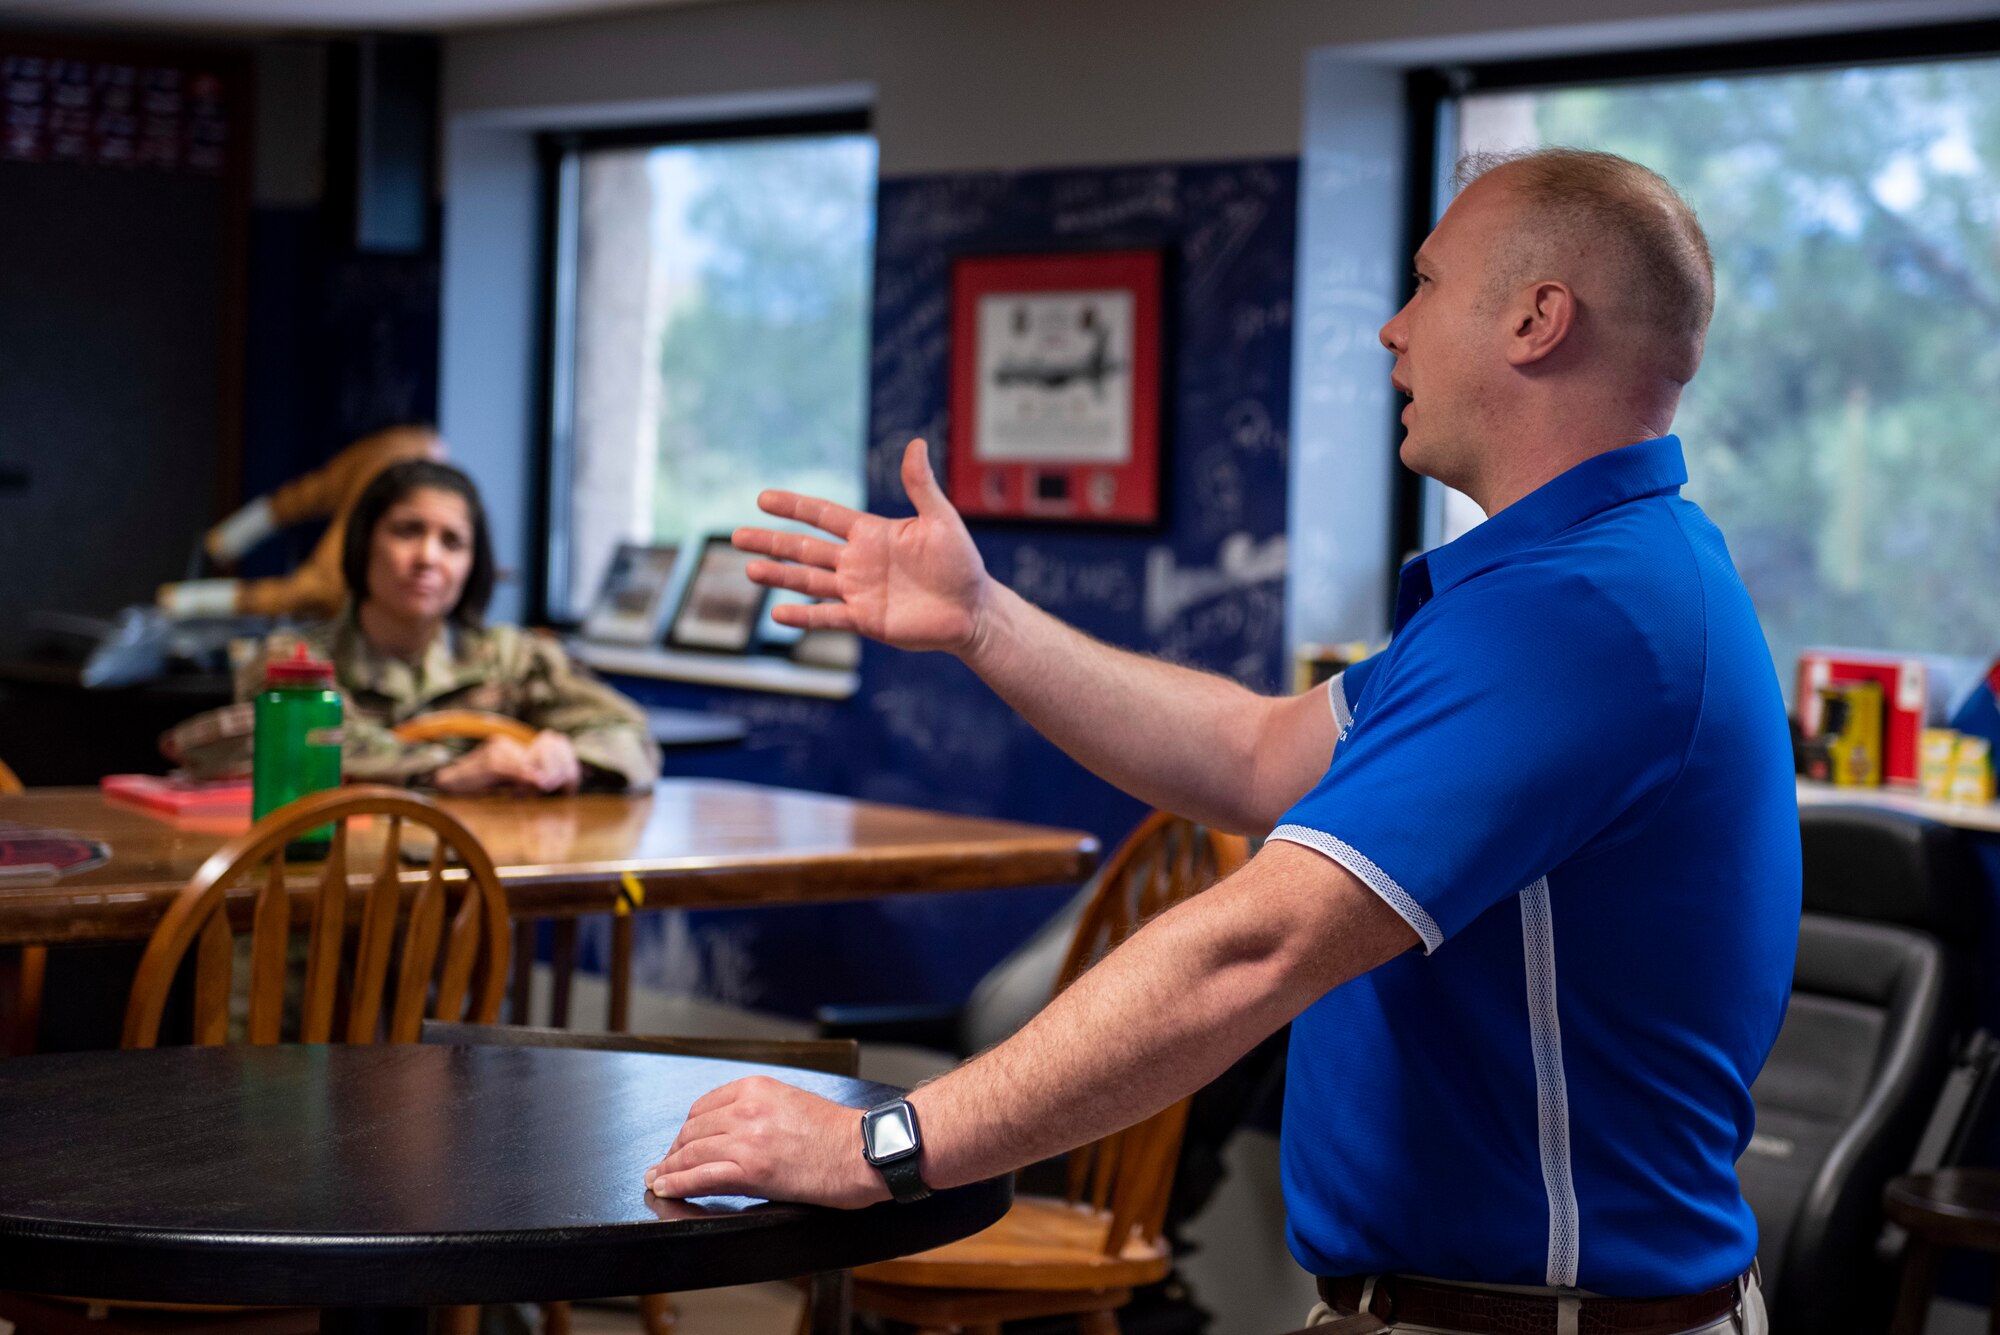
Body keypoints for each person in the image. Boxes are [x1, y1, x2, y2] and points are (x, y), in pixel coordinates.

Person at [642, 148, 1797, 1333]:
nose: (1391, 330)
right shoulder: (1586, 581)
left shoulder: (1578, 619)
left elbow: (1252, 949)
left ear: (1534, 318)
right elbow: (1253, 756)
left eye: (1427, 283)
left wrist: (884, 1144)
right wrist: (984, 622)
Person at [167, 459, 661, 794]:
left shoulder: (514, 659)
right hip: (314, 918)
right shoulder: (292, 663)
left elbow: (630, 733)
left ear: (473, 564)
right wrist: (450, 771)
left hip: (463, 921)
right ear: (364, 545)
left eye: (452, 542)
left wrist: (568, 758)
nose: (427, 558)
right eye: (407, 531)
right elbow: (296, 753)